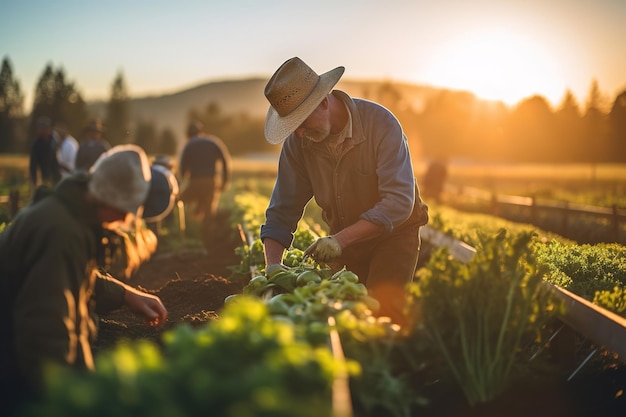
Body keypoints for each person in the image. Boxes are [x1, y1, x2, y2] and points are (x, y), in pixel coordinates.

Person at [0, 144, 169, 414]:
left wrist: (125, 294)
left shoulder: (69, 215)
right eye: (132, 210)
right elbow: (46, 335)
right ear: (120, 204)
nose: (128, 219)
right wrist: (70, 400)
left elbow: (69, 274)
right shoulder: (61, 232)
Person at [260, 57, 429, 325]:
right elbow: (283, 207)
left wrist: (340, 240)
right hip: (344, 236)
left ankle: (386, 362)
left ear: (324, 102)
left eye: (302, 122)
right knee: (344, 314)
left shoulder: (381, 125)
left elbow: (398, 202)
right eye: (294, 127)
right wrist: (272, 266)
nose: (300, 134)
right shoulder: (298, 143)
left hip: (394, 235)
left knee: (382, 311)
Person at [178, 121, 231, 249]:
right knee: (208, 211)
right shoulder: (213, 142)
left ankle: (185, 233)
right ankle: (207, 242)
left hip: (195, 181)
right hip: (211, 182)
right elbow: (225, 161)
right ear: (201, 132)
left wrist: (182, 184)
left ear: (188, 134)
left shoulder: (188, 145)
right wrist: (225, 181)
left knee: (181, 202)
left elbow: (183, 168)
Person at [28, 116, 61, 188]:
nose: (43, 131)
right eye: (41, 128)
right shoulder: (36, 144)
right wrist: (34, 180)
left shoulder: (53, 140)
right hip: (45, 173)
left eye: (45, 128)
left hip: (55, 173)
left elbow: (56, 159)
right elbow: (33, 163)